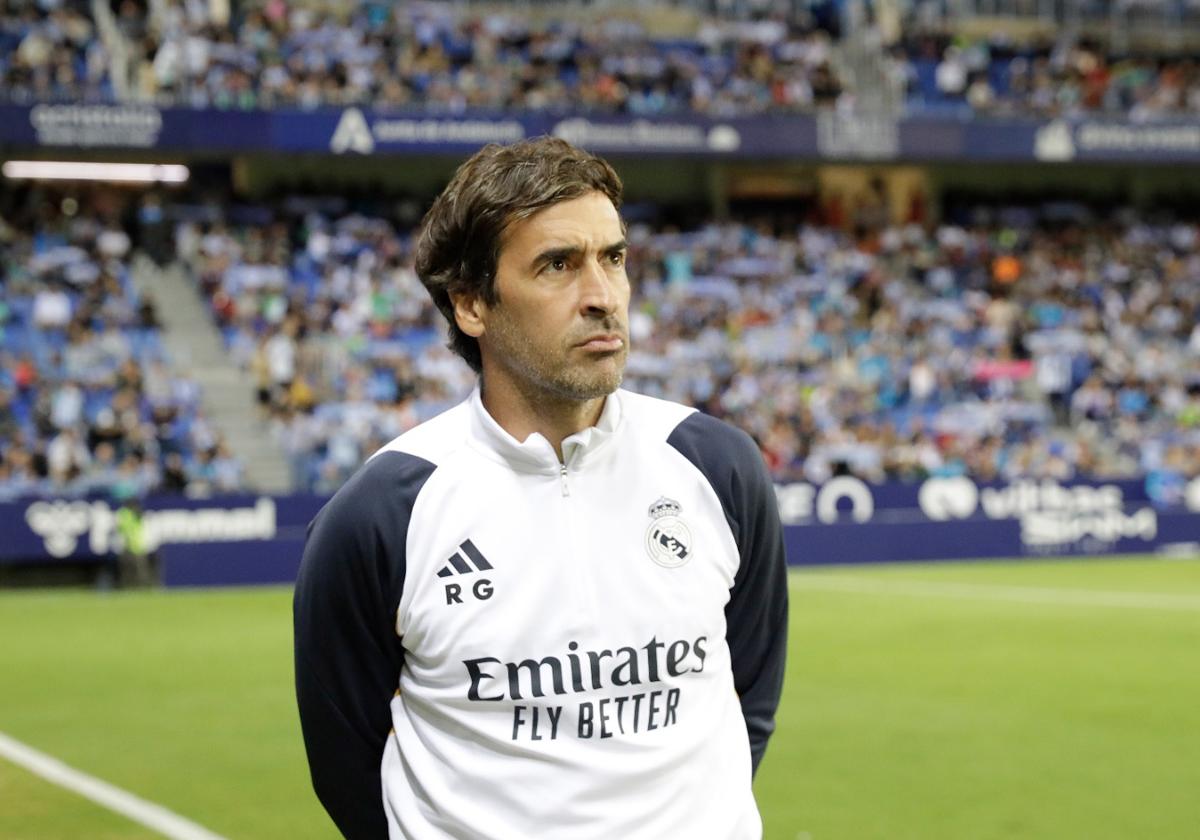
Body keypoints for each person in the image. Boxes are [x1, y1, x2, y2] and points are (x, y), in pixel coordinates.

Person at [293, 137, 788, 840]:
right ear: (471, 304)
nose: (602, 297)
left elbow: (750, 703)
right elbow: (346, 768)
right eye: (558, 265)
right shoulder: (383, 515)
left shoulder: (718, 467)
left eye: (613, 259)